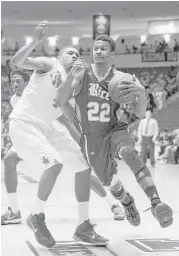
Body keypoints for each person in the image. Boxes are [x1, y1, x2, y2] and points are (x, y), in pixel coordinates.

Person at [7, 21, 108, 247]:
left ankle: (83, 226)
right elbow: (17, 62)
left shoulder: (72, 84)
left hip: (46, 128)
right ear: (60, 57)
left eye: (77, 54)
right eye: (70, 53)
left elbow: (69, 117)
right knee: (54, 163)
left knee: (83, 167)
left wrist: (84, 141)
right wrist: (35, 42)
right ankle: (37, 217)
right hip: (24, 124)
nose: (75, 56)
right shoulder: (49, 64)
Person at [56, 34, 173, 229]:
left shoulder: (121, 79)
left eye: (103, 48)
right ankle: (127, 202)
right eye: (95, 48)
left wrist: (141, 93)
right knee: (109, 181)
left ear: (112, 54)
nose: (98, 51)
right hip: (91, 137)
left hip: (114, 129)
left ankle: (156, 202)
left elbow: (140, 112)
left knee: (128, 152)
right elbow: (60, 100)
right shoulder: (81, 74)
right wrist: (69, 76)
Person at [1, 70, 124, 226]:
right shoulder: (14, 100)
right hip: (35, 137)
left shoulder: (43, 97)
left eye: (18, 81)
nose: (15, 85)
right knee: (9, 160)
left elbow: (66, 121)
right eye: (12, 82)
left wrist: (81, 141)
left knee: (84, 171)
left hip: (56, 137)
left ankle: (113, 204)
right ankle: (14, 211)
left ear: (28, 83)